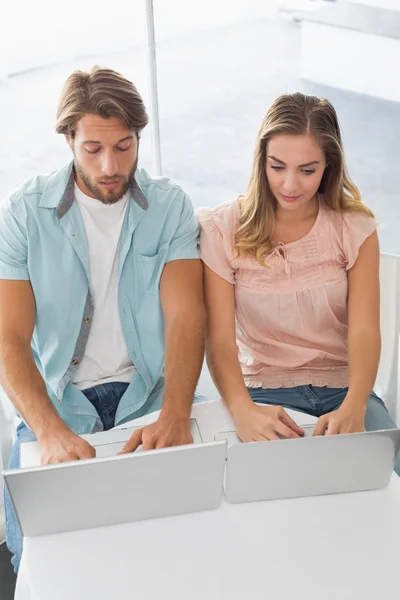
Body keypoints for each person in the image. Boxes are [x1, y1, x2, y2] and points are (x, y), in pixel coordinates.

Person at [0, 66, 205, 573]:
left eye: (125, 145)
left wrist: (177, 412)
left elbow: (186, 317)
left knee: (180, 547)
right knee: (45, 557)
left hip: (152, 398)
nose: (111, 165)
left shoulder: (171, 207)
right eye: (93, 149)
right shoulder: (24, 214)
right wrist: (47, 430)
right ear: (68, 140)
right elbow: (8, 336)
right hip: (58, 408)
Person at [198, 92, 400, 473]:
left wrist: (355, 406)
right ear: (261, 161)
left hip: (345, 388)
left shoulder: (354, 226)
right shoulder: (222, 228)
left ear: (329, 166)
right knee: (266, 493)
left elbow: (364, 331)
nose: (290, 185)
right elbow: (219, 340)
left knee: (384, 480)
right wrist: (242, 409)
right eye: (278, 167)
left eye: (307, 170)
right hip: (262, 394)